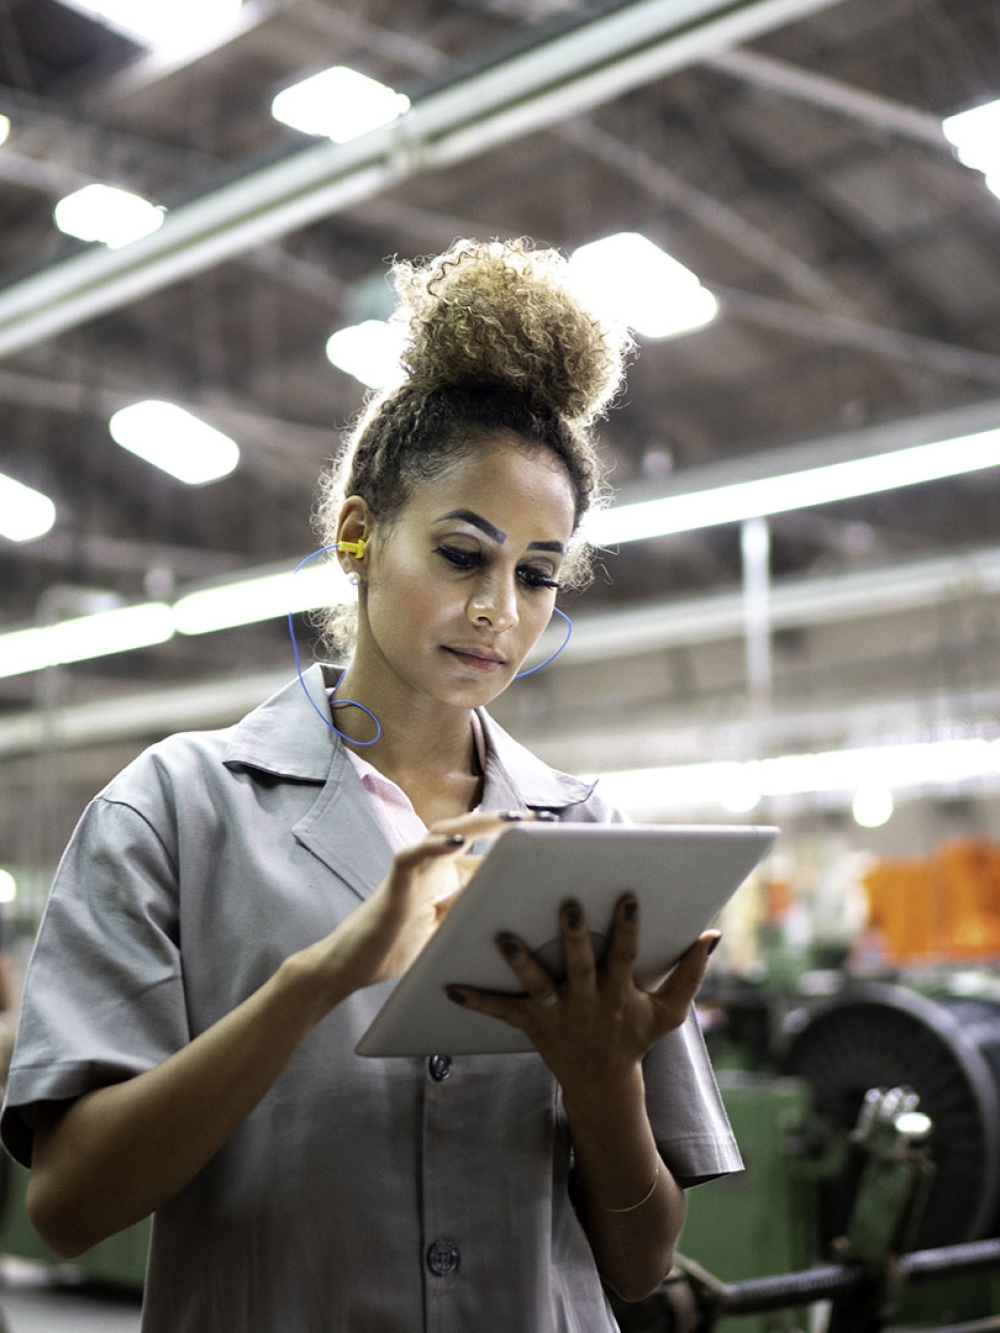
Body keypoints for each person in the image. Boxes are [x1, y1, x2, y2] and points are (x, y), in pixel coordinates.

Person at [0, 238, 742, 1332]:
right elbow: (68, 1207)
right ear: (358, 532)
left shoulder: (586, 837)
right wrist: (313, 980)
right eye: (461, 555)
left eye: (537, 574)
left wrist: (601, 1078)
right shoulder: (174, 813)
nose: (501, 607)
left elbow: (640, 1262)